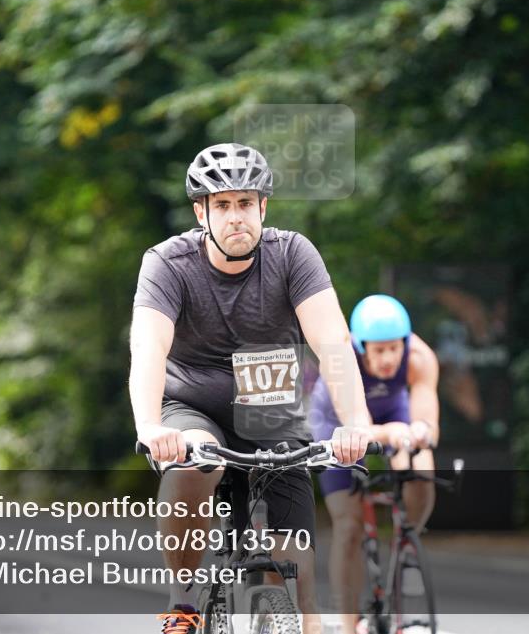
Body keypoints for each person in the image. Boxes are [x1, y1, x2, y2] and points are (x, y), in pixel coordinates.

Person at [129, 143, 375, 634]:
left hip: (270, 412)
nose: (235, 217)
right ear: (201, 212)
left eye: (245, 203)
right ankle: (184, 605)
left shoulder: (292, 254)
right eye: (222, 205)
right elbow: (149, 349)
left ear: (263, 207)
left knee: (300, 594)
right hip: (191, 407)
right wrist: (151, 427)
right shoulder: (168, 263)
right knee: (197, 463)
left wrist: (356, 423)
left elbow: (333, 343)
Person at [308, 294, 440, 634]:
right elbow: (359, 427)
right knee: (348, 526)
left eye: (395, 348)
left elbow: (427, 418)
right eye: (378, 351)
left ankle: (408, 540)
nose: (388, 358)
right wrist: (392, 431)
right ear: (360, 346)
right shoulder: (343, 359)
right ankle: (350, 623)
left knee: (421, 466)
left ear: (406, 343)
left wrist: (420, 431)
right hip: (337, 423)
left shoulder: (421, 357)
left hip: (391, 411)